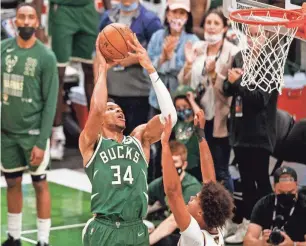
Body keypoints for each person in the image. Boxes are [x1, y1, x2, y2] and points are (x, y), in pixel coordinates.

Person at [79, 34, 177, 246]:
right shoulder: (92, 143)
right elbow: (96, 108)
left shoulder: (139, 138)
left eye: (120, 109)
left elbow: (170, 117)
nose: (118, 112)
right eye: (112, 109)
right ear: (101, 120)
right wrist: (103, 70)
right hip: (104, 228)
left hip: (136, 228)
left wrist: (151, 69)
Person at [1, 3, 58, 246]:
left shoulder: (46, 56)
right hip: (6, 134)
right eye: (21, 17)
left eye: (30, 17)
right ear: (15, 22)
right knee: (12, 182)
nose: (25, 21)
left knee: (40, 183)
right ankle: (14, 237)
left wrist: (42, 140)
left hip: (33, 133)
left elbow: (51, 102)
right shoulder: (3, 50)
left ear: (37, 23)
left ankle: (43, 241)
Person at [223, 25, 279, 244]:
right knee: (246, 182)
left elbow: (259, 100)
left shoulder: (271, 61)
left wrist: (238, 82)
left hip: (259, 132)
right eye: (250, 35)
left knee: (260, 180)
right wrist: (230, 81)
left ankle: (269, 224)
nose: (253, 39)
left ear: (265, 37)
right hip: (240, 129)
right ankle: (247, 223)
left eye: (258, 35)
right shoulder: (239, 57)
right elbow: (227, 90)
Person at [178, 7, 239, 193]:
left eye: (216, 23)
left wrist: (213, 73)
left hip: (221, 118)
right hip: (197, 116)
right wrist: (188, 64)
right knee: (198, 167)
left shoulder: (233, 52)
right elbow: (183, 82)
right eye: (208, 23)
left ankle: (227, 214)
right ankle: (202, 211)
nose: (211, 27)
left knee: (220, 169)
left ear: (224, 27)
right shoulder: (197, 47)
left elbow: (228, 90)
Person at [34, 0, 101, 160]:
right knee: (57, 76)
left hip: (87, 9)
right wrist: (38, 26)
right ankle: (57, 134)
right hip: (62, 10)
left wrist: (110, 12)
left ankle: (96, 134)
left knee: (93, 72)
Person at [160, 110, 234, 246]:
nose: (192, 198)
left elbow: (173, 193)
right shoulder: (216, 228)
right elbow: (210, 182)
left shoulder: (195, 237)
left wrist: (165, 144)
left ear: (200, 212)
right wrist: (200, 135)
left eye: (196, 199)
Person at [98, 0, 163, 135]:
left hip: (138, 92)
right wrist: (98, 85)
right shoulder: (107, 17)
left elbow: (159, 56)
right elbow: (97, 54)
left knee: (137, 140)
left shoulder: (150, 20)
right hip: (112, 90)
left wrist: (133, 59)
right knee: (112, 142)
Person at [147, 0, 199, 116]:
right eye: (174, 11)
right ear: (167, 14)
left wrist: (172, 59)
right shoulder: (156, 37)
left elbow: (193, 76)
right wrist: (162, 59)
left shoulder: (193, 40)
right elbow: (145, 71)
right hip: (156, 102)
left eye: (182, 13)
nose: (177, 16)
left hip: (182, 104)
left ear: (187, 17)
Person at [148, 140, 202, 246]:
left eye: (174, 162)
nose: (169, 167)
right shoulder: (158, 184)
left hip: (194, 236)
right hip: (171, 229)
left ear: (184, 165)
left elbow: (173, 221)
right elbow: (141, 206)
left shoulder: (192, 188)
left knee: (163, 241)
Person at [244, 166, 306, 246]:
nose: (286, 195)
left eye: (291, 192)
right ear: (274, 187)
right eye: (282, 192)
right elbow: (248, 241)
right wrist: (261, 243)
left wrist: (294, 244)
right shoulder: (264, 204)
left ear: (297, 185)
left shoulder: (303, 206)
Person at [171, 85, 202, 181]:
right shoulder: (176, 123)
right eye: (178, 107)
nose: (182, 110)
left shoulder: (196, 123)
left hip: (195, 167)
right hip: (179, 166)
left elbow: (200, 116)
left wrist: (191, 100)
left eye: (185, 106)